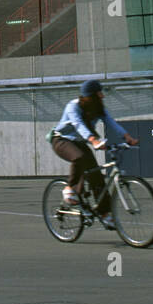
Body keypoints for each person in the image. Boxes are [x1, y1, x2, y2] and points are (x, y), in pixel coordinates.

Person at [50, 80, 138, 227]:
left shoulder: (99, 109)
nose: (102, 96)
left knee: (96, 176)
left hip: (80, 143)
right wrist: (94, 140)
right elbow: (79, 125)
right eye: (99, 93)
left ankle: (104, 214)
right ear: (91, 96)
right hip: (61, 140)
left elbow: (111, 122)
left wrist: (127, 137)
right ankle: (69, 188)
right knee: (79, 157)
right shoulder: (73, 106)